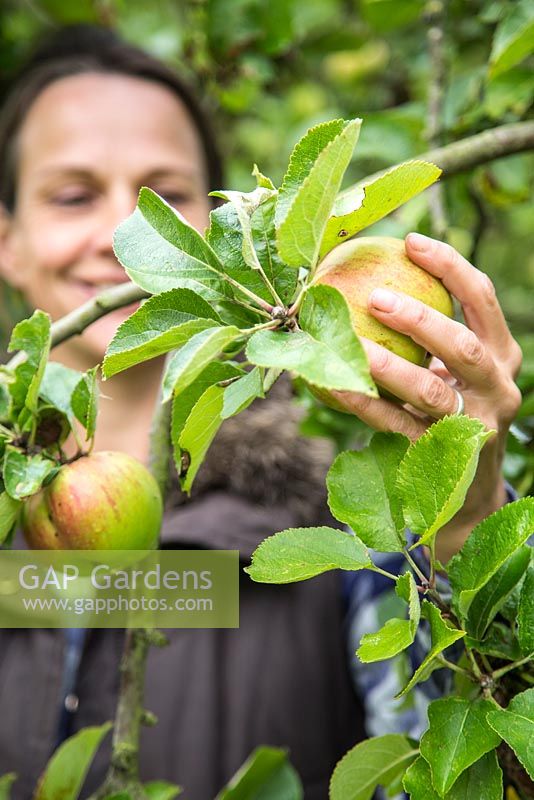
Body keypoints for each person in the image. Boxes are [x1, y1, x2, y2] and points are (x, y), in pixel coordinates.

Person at [0, 25, 523, 799]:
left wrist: (463, 513)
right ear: (7, 240)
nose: (123, 234)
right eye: (74, 195)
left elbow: (459, 769)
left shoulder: (352, 500)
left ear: (214, 236)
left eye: (166, 197)